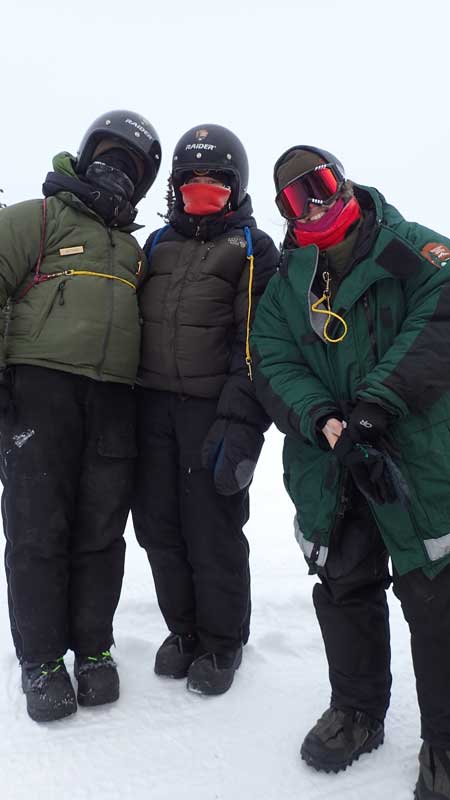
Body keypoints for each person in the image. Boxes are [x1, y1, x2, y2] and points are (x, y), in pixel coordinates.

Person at [250, 144, 450, 799]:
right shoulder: (286, 285)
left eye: (320, 185)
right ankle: (358, 712)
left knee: (435, 597)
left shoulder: (409, 248)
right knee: (343, 586)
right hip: (331, 464)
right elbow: (272, 359)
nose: (312, 204)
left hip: (415, 460)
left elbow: (442, 313)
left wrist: (378, 405)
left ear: (345, 181)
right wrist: (326, 420)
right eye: (293, 200)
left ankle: (444, 741)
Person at [0, 109, 161, 722]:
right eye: (108, 154)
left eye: (132, 164)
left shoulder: (135, 250)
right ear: (87, 152)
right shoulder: (37, 219)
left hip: (115, 399)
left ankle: (93, 648)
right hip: (40, 391)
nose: (116, 169)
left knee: (100, 531)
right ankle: (40, 660)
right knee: (39, 529)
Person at [132, 123, 278, 695]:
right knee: (159, 528)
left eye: (214, 181)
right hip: (150, 408)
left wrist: (240, 420)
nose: (201, 190)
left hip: (211, 409)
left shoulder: (251, 247)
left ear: (235, 186)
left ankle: (222, 640)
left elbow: (259, 342)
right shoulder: (157, 244)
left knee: (212, 529)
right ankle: (184, 629)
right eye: (190, 181)